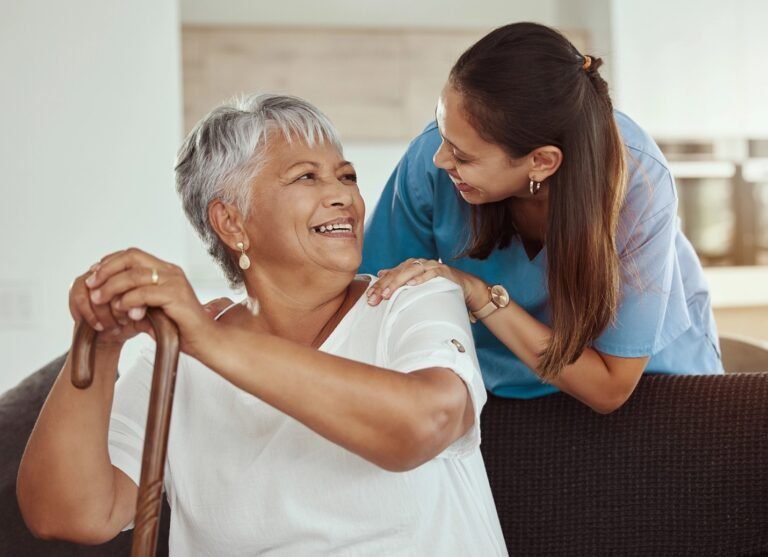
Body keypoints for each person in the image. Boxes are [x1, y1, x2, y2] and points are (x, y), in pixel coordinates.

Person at [17, 94, 507, 556]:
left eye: (347, 176)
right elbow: (69, 515)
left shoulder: (413, 297)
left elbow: (425, 424)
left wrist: (211, 342)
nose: (343, 195)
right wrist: (99, 344)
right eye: (306, 177)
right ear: (231, 222)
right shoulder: (175, 356)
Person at [362, 22, 723, 414]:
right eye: (442, 133)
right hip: (494, 388)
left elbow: (609, 388)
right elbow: (374, 306)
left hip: (647, 388)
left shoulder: (638, 179)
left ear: (541, 161)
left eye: (462, 156)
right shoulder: (432, 161)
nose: (439, 158)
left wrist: (479, 294)